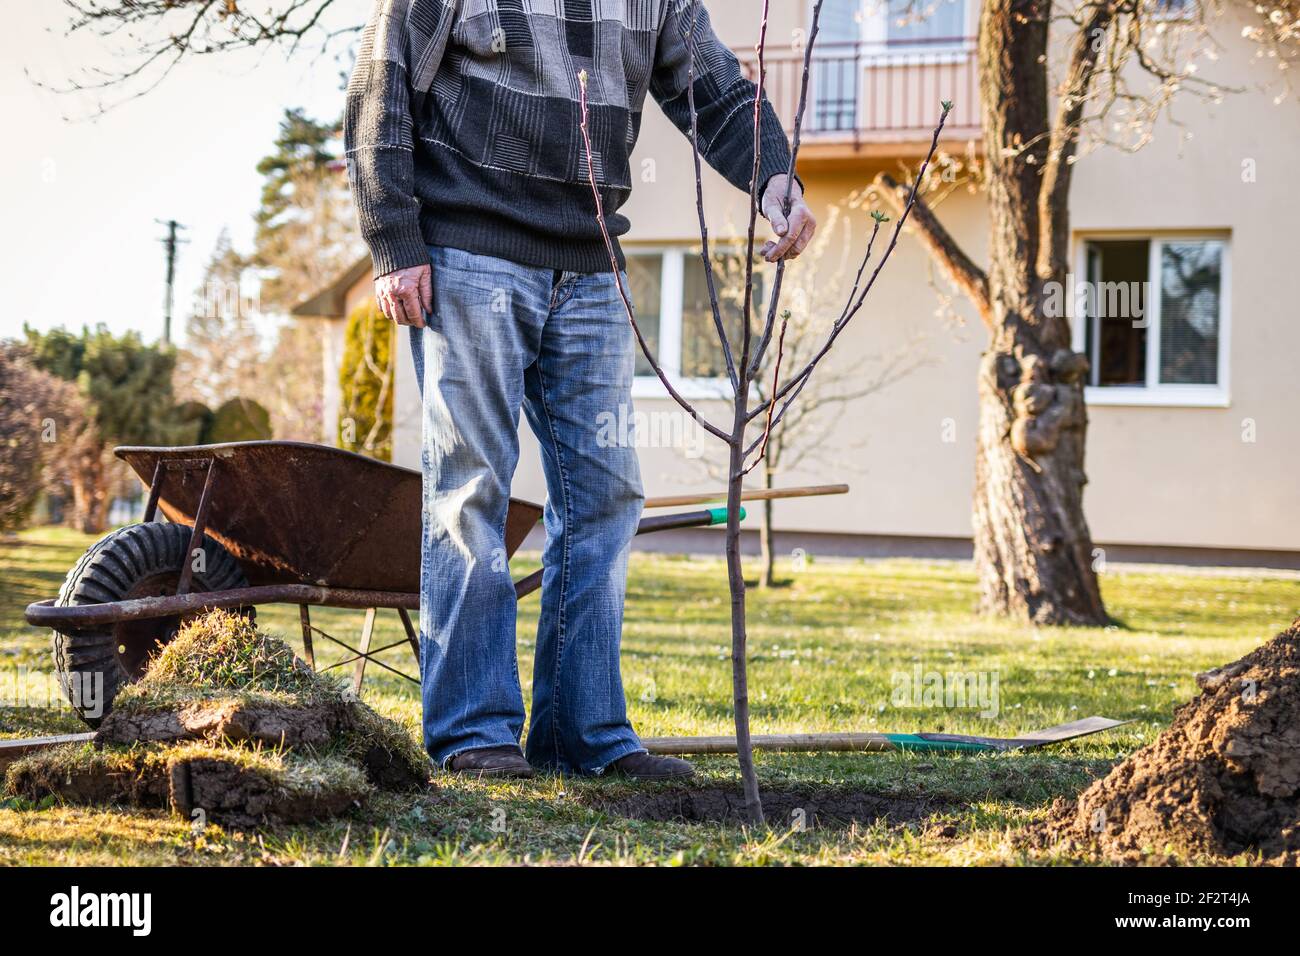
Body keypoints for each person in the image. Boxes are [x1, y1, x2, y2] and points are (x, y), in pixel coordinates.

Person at [345, 0, 816, 780]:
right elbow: (380, 90)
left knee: (603, 496)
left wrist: (774, 174)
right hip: (469, 255)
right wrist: (394, 239)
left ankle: (580, 734)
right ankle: (473, 733)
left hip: (592, 267)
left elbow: (718, 89)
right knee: (472, 490)